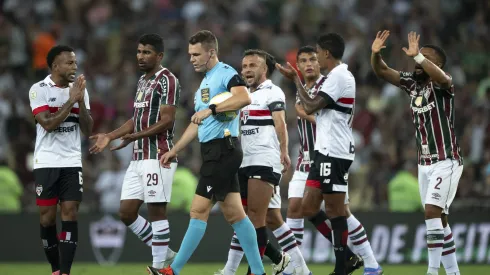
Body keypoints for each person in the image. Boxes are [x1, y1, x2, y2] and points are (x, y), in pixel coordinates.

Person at [159, 30, 265, 275]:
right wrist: (174, 149)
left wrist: (212, 109)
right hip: (213, 151)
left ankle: (173, 270)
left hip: (223, 149)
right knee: (236, 215)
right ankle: (259, 273)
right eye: (190, 54)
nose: (192, 59)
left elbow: (243, 97)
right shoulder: (203, 85)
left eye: (197, 54)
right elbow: (197, 123)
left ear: (211, 52)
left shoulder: (226, 73)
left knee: (198, 210)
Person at [276, 34, 383, 275]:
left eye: (315, 55)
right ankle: (341, 258)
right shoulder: (325, 81)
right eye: (303, 60)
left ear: (325, 54)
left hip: (334, 152)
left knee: (338, 211)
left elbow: (313, 107)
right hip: (318, 154)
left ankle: (348, 265)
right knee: (308, 207)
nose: (311, 62)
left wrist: (296, 83)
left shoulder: (337, 77)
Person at [371, 30, 463, 275]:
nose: (418, 59)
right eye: (418, 56)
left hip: (447, 159)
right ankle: (454, 273)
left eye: (426, 57)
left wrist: (420, 58)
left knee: (431, 212)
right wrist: (375, 53)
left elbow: (442, 78)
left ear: (438, 65)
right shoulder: (412, 84)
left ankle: (432, 271)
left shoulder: (444, 85)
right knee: (440, 220)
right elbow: (381, 71)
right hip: (424, 163)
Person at [89, 34, 180, 274]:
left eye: (147, 52)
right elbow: (136, 119)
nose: (141, 56)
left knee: (156, 211)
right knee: (126, 212)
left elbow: (168, 121)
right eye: (139, 51)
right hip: (138, 157)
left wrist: (136, 137)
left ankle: (160, 267)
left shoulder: (167, 80)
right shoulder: (142, 81)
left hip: (158, 155)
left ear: (159, 56)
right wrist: (110, 135)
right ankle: (165, 251)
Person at [217, 50, 310, 275]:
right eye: (244, 66)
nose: (247, 70)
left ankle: (246, 272)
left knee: (255, 219)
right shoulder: (243, 96)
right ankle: (299, 269)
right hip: (244, 161)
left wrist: (284, 151)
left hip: (264, 160)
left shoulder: (272, 91)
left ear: (263, 69)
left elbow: (281, 123)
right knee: (262, 218)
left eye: (252, 65)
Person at [29, 45, 93, 275]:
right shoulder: (39, 90)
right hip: (46, 162)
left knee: (71, 212)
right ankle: (55, 268)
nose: (74, 67)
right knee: (47, 219)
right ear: (55, 66)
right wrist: (71, 100)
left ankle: (64, 272)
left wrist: (81, 101)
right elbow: (47, 123)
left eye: (75, 63)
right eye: (69, 63)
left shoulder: (80, 91)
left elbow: (87, 129)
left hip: (71, 161)